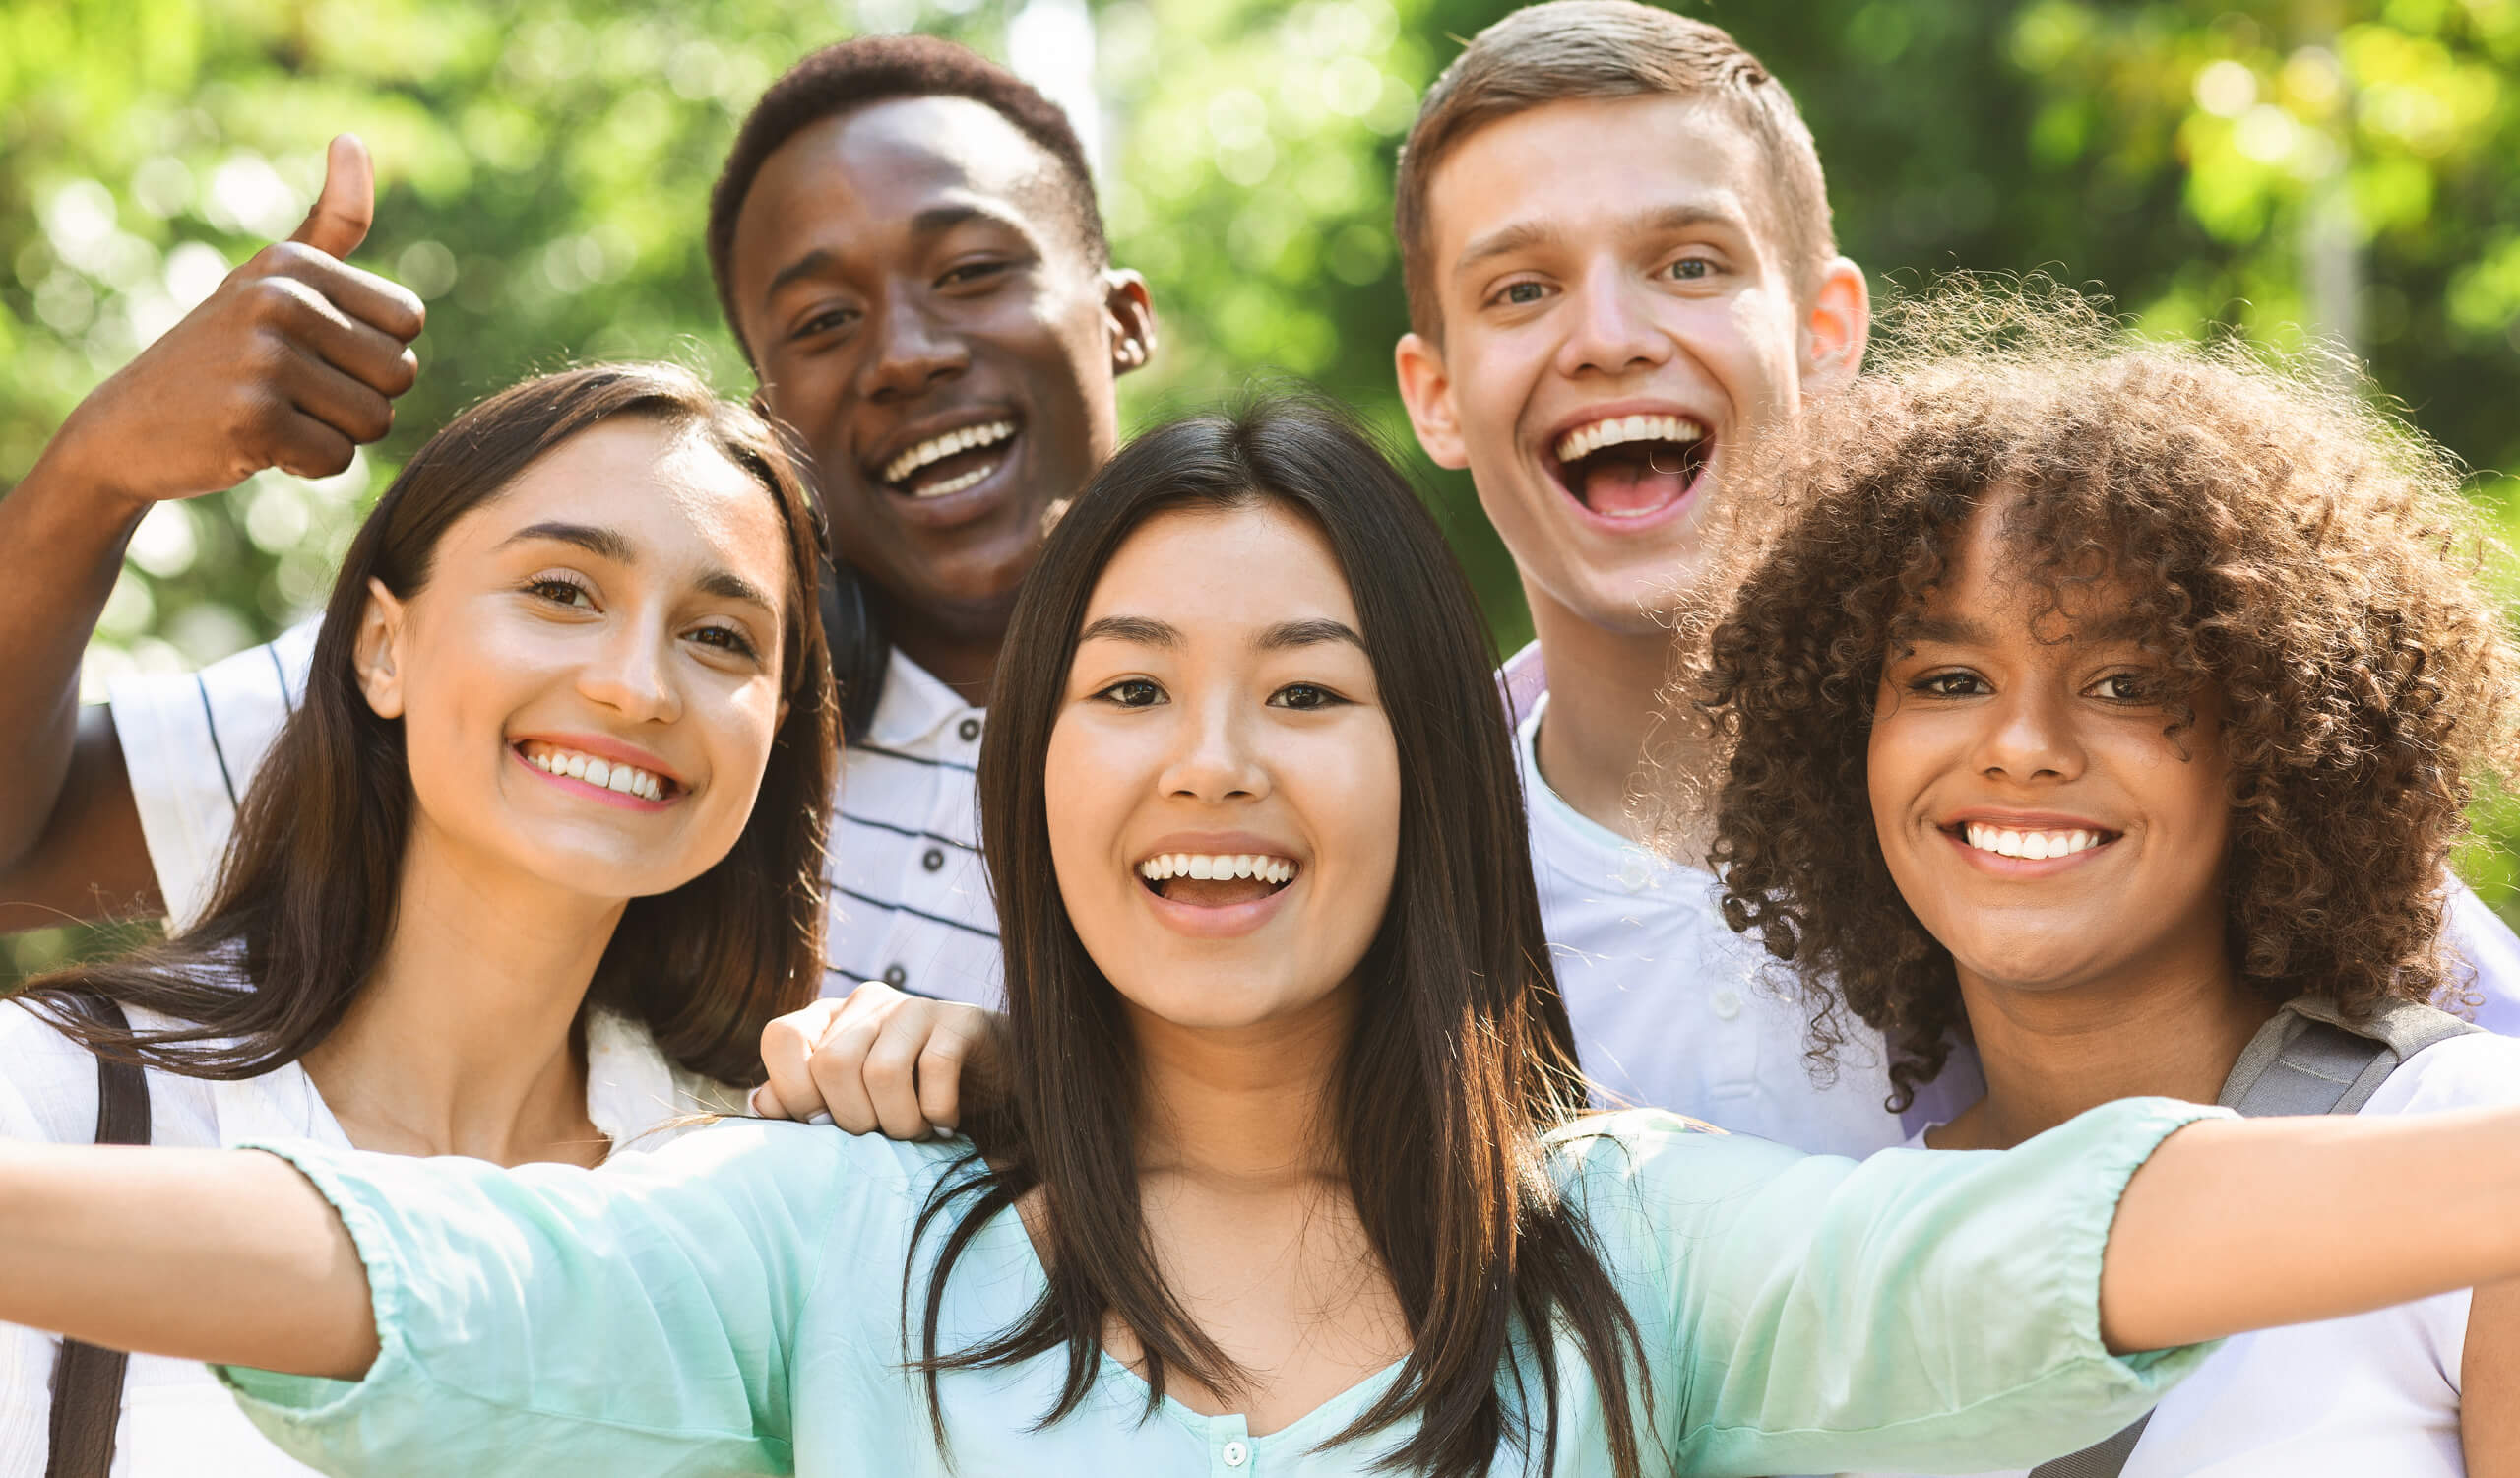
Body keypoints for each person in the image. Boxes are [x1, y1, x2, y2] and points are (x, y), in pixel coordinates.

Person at [23, 396, 2520, 1478]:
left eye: (1303, 690)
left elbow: (2079, 1231)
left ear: (1429, 785)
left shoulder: (1633, 1250)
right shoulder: (813, 1230)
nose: (1208, 759)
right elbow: (391, 1262)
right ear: (1035, 786)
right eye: (1126, 689)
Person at [1378, 0, 2520, 1151]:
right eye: (1521, 289)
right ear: (1433, 395)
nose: (1607, 335)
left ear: (1824, 331)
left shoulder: (2086, 803)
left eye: (1687, 263)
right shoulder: (1382, 866)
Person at [0, 36, 1156, 1015]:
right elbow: (21, 852)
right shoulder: (581, 689)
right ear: (770, 416)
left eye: (970, 271)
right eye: (822, 320)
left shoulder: (1274, 734)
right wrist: (98, 472)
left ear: (1121, 319)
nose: (906, 353)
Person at [1688, 311, 2520, 1474]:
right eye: (1949, 677)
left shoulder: (2472, 1152)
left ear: (2279, 740)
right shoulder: (1832, 1260)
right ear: (1846, 742)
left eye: (2128, 683)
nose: (2021, 745)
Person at [0, 361, 840, 1476]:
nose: (637, 686)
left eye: (721, 637)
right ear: (381, 646)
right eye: (562, 590)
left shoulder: (780, 1193)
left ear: (773, 728)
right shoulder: (61, 1098)